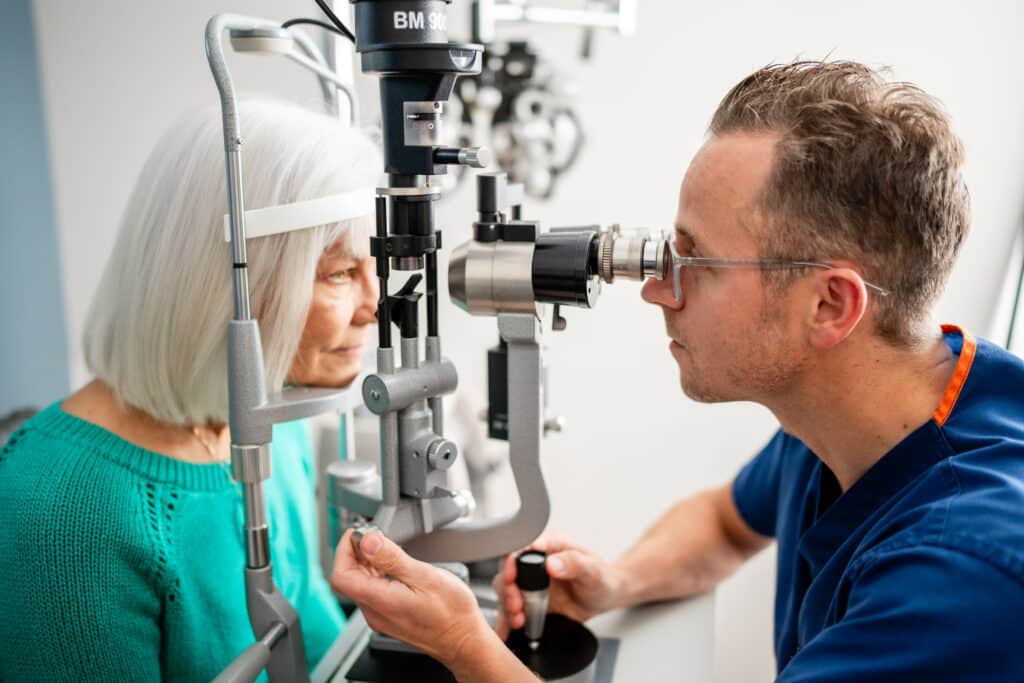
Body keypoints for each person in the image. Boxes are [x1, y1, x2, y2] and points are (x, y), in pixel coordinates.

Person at [329, 60, 1024, 681]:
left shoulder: (962, 576)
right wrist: (617, 580)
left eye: (694, 261)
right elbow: (726, 523)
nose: (659, 291)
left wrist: (464, 644)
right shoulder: (857, 417)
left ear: (829, 305)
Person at [0, 99, 382, 681]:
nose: (376, 306)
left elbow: (309, 621)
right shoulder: (59, 518)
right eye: (340, 273)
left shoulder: (271, 415)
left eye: (372, 266)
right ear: (219, 284)